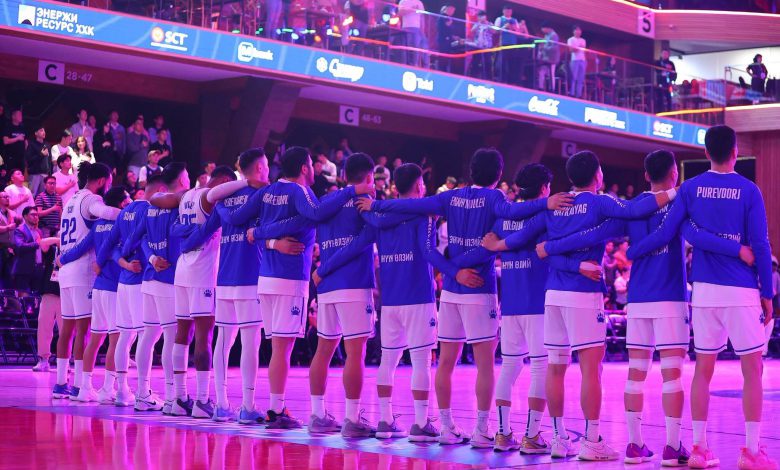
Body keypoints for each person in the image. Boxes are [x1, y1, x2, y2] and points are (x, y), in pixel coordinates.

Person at [542, 149, 749, 465]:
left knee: (635, 374)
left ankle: (634, 444)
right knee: (672, 375)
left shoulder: (633, 208)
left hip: (638, 299)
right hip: (669, 298)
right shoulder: (680, 201)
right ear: (674, 174)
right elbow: (698, 234)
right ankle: (672, 447)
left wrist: (551, 248)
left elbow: (595, 233)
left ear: (646, 175)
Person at [357, 149, 573, 448]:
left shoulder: (450, 196)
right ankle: (483, 429)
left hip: (450, 292)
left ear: (471, 171)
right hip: (478, 288)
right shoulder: (495, 198)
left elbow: (413, 205)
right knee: (485, 365)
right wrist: (546, 203)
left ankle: (446, 428)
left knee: (445, 362)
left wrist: (377, 205)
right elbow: (511, 217)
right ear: (498, 174)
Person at [490, 151, 675, 460]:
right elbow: (636, 209)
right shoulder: (598, 202)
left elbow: (532, 244)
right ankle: (591, 440)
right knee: (591, 370)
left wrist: (497, 245)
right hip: (583, 295)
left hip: (552, 296)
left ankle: (559, 439)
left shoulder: (556, 205)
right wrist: (675, 192)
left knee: (555, 368)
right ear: (597, 175)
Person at [626, 126, 777, 469]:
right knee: (752, 370)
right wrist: (768, 293)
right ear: (736, 152)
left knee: (702, 372)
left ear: (706, 152)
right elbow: (761, 243)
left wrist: (634, 251)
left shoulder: (690, 188)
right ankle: (752, 452)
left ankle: (698, 448)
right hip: (741, 290)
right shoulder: (749, 190)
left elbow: (672, 231)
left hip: (704, 291)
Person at [230, 146, 373, 428]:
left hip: (266, 277)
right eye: (311, 163)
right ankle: (277, 410)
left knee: (281, 349)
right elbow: (316, 214)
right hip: (290, 277)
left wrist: (265, 236)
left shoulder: (267, 192)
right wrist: (352, 191)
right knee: (283, 350)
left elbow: (239, 222)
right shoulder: (300, 192)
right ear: (305, 168)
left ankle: (284, 409)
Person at [321, 163, 456, 442]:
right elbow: (428, 252)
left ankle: (385, 420)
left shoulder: (377, 217)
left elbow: (354, 246)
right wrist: (455, 272)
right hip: (418, 296)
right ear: (419, 186)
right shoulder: (423, 216)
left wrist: (323, 269)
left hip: (390, 300)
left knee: (388, 360)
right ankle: (421, 423)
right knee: (421, 360)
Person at [180, 148, 303, 423]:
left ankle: (222, 404)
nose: (268, 170)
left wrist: (183, 243)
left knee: (223, 341)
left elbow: (202, 233)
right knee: (250, 343)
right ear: (259, 168)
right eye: (266, 165)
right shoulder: (264, 195)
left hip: (224, 278)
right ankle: (247, 406)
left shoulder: (224, 199)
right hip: (250, 277)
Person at [148, 165, 238, 418]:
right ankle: (202, 400)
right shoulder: (210, 196)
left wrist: (183, 229)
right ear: (223, 180)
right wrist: (250, 182)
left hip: (182, 271)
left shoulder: (185, 195)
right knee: (203, 337)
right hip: (202, 273)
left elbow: (155, 198)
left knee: (182, 334)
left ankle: (179, 398)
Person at [121, 164, 188, 414]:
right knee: (171, 337)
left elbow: (133, 241)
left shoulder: (149, 208)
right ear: (181, 180)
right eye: (187, 176)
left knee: (148, 336)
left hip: (149, 279)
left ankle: (142, 393)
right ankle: (172, 398)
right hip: (168, 278)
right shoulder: (179, 206)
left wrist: (150, 257)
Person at [52, 162, 120, 400]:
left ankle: (61, 383)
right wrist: (131, 213)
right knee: (84, 331)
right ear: (101, 181)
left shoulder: (71, 199)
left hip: (65, 272)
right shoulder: (92, 199)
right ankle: (81, 385)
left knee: (67, 330)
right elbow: (108, 213)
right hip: (82, 271)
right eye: (109, 181)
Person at [63, 187, 131, 403]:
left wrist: (62, 259)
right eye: (127, 198)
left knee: (95, 339)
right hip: (113, 286)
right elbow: (117, 251)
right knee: (116, 339)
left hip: (98, 287)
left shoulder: (98, 224)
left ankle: (84, 388)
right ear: (120, 203)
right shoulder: (121, 223)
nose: (130, 201)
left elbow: (81, 247)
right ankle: (108, 388)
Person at [104, 176, 165, 407]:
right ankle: (143, 392)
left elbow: (110, 246)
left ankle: (122, 390)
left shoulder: (124, 212)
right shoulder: (149, 210)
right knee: (146, 336)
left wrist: (124, 263)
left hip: (123, 280)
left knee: (125, 336)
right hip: (141, 281)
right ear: (160, 190)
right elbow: (140, 241)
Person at [32, 237, 61, 372]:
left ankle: (64, 362)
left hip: (65, 294)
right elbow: (42, 242)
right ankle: (43, 360)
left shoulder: (73, 250)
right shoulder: (53, 250)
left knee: (65, 331)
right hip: (48, 293)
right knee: (44, 328)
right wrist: (58, 239)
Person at [12, 206, 52, 295]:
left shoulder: (39, 231)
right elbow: (20, 247)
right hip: (23, 269)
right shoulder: (19, 230)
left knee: (36, 297)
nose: (36, 217)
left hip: (38, 268)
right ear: (25, 216)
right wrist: (37, 243)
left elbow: (42, 249)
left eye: (37, 215)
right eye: (33, 215)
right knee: (23, 297)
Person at [494, 5, 522, 84]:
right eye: (506, 11)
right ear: (503, 11)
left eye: (510, 11)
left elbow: (518, 32)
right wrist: (504, 27)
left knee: (512, 64)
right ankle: (502, 80)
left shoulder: (514, 20)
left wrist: (513, 28)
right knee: (502, 63)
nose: (508, 12)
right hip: (503, 44)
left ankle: (511, 82)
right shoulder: (499, 19)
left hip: (513, 44)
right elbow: (495, 31)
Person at [25, 125, 51, 197]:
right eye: (41, 130)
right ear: (36, 133)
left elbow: (49, 161)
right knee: (32, 195)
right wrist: (41, 154)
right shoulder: (31, 144)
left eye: (44, 130)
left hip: (45, 174)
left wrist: (49, 173)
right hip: (35, 174)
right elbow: (29, 160)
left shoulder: (47, 144)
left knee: (43, 196)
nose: (44, 132)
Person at [398, 0, 426, 67]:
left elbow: (422, 17)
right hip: (406, 28)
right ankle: (406, 66)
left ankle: (414, 66)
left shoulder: (419, 2)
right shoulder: (403, 1)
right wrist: (411, 9)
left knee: (415, 49)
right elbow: (400, 13)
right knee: (407, 49)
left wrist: (422, 30)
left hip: (417, 29)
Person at [436, 5, 462, 73]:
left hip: (447, 41)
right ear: (448, 9)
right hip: (443, 41)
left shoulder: (446, 17)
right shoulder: (444, 16)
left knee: (445, 57)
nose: (453, 12)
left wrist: (453, 37)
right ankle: (442, 71)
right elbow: (446, 26)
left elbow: (447, 30)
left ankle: (444, 70)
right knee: (443, 57)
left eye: (454, 11)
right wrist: (450, 21)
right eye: (452, 10)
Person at [537, 24, 561, 92]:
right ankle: (540, 87)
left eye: (543, 29)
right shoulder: (546, 35)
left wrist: (544, 48)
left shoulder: (554, 35)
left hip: (552, 58)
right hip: (545, 58)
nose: (542, 31)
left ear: (547, 28)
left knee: (551, 73)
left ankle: (552, 89)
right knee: (542, 72)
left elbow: (554, 48)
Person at [567, 25, 587, 99]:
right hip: (574, 60)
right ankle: (571, 93)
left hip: (583, 60)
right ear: (573, 31)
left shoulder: (583, 40)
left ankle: (579, 94)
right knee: (573, 77)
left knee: (580, 79)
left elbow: (583, 49)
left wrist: (577, 48)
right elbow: (571, 50)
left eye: (580, 30)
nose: (578, 31)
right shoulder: (570, 39)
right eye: (577, 30)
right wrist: (578, 48)